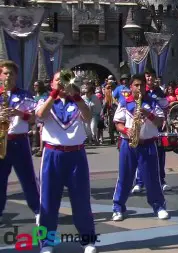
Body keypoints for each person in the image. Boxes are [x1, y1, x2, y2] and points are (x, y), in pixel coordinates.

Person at [35, 70, 97, 253]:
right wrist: (54, 95)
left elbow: (87, 116)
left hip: (76, 155)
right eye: (58, 80)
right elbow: (39, 115)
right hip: (52, 155)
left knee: (81, 200)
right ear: (52, 84)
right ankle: (46, 242)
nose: (61, 83)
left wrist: (75, 94)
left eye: (65, 79)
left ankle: (88, 240)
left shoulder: (78, 101)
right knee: (48, 201)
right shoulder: (45, 100)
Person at [111, 74, 169, 222]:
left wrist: (147, 113)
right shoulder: (125, 101)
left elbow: (159, 123)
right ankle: (118, 207)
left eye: (141, 85)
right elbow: (118, 123)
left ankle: (158, 206)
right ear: (131, 87)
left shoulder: (153, 102)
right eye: (136, 85)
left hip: (148, 144)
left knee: (152, 177)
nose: (139, 88)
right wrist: (126, 130)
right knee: (124, 177)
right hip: (128, 144)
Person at [0, 60, 40, 224]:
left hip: (19, 141)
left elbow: (33, 118)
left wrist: (18, 113)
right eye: (5, 73)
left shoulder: (25, 95)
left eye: (11, 73)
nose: (8, 76)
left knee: (27, 178)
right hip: (2, 140)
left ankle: (38, 210)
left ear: (16, 76)